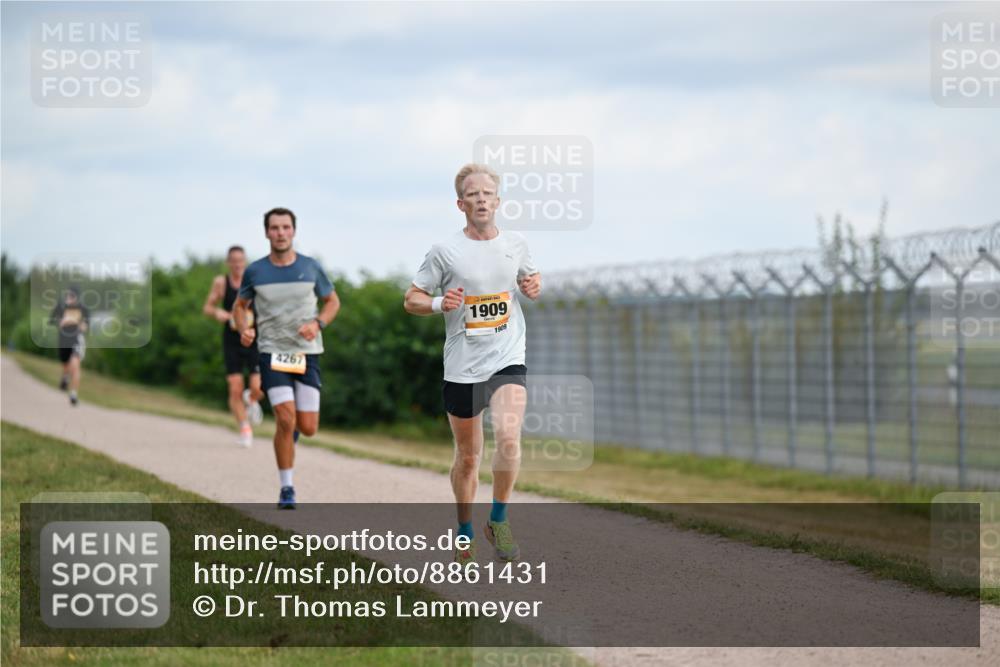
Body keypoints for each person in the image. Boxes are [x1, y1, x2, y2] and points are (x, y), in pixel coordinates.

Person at [404, 163, 541, 565]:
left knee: (510, 437)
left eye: (487, 193)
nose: (481, 199)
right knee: (468, 456)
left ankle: (498, 520)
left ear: (497, 201)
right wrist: (436, 303)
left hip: (507, 355)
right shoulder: (444, 251)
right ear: (461, 203)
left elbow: (530, 281)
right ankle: (464, 529)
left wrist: (534, 286)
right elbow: (411, 298)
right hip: (463, 365)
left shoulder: (516, 243)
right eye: (473, 194)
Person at [233, 208, 339, 509]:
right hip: (271, 353)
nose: (280, 233)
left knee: (307, 428)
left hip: (308, 354)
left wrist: (317, 324)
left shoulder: (310, 267)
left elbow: (332, 301)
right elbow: (240, 306)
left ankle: (287, 433)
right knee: (285, 417)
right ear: (266, 232)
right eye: (274, 228)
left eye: (285, 227)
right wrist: (244, 328)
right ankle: (287, 488)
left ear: (293, 231)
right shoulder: (256, 271)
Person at [203, 245, 265, 448]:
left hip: (254, 339)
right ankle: (245, 429)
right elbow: (208, 306)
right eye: (234, 261)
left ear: (245, 262)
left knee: (258, 387)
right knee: (235, 388)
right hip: (231, 339)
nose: (238, 264)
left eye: (241, 260)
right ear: (228, 263)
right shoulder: (221, 282)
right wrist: (217, 313)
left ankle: (252, 399)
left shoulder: (254, 281)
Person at [49, 286, 89, 406]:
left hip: (76, 340)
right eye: (68, 295)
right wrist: (60, 321)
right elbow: (52, 320)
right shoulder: (60, 307)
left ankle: (73, 394)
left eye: (72, 296)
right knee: (65, 364)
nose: (70, 298)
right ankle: (65, 377)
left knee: (75, 365)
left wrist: (79, 324)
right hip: (63, 340)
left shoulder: (83, 309)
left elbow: (86, 325)